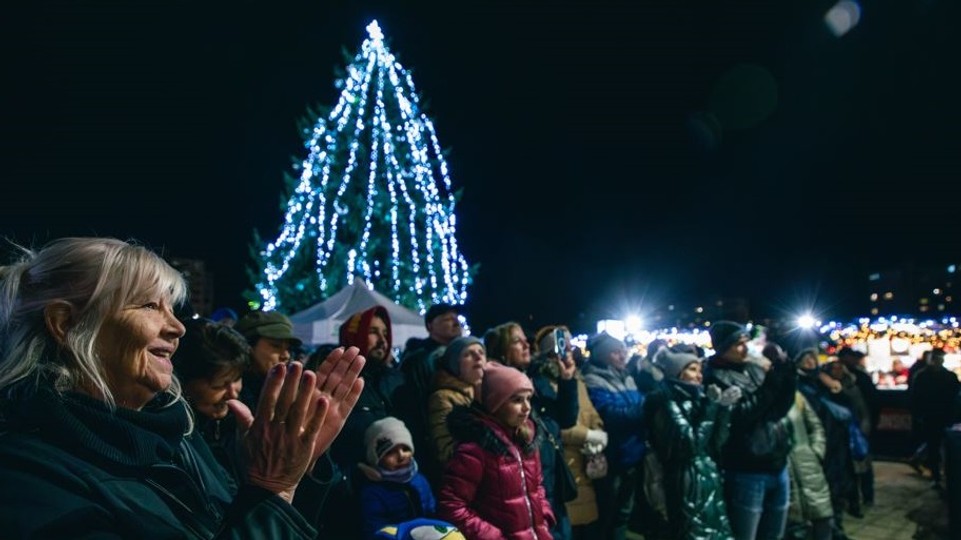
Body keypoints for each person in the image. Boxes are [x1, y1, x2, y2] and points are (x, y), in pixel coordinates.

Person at [0, 237, 365, 538]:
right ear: (65, 323)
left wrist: (286, 477)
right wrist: (272, 487)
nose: (177, 327)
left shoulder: (178, 434)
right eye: (148, 305)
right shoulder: (26, 479)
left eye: (172, 308)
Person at [702, 321, 797, 540]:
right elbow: (742, 416)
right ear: (722, 348)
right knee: (747, 533)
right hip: (747, 467)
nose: (745, 349)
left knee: (775, 532)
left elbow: (779, 409)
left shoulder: (753, 368)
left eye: (746, 342)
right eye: (737, 344)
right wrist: (772, 381)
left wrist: (786, 372)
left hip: (777, 460)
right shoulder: (713, 377)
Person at [438, 362, 555, 538]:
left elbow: (537, 488)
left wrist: (543, 520)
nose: (527, 408)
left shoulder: (526, 440)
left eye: (528, 399)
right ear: (495, 403)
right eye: (517, 400)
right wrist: (493, 536)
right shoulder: (475, 449)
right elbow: (452, 505)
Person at [487, 321, 579, 540]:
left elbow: (565, 420)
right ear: (501, 349)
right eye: (517, 341)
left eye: (526, 340)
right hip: (527, 486)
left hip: (551, 479)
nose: (527, 345)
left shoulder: (536, 379)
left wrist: (567, 379)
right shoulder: (495, 390)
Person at [643, 347, 738, 539]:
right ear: (678, 373)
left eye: (700, 370)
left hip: (707, 477)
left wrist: (723, 410)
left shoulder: (697, 398)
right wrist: (711, 407)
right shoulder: (666, 401)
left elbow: (716, 443)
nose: (699, 376)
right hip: (687, 483)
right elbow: (689, 445)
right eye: (693, 369)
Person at [534, 325, 608, 540]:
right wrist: (587, 436)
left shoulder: (576, 380)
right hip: (565, 465)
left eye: (569, 345)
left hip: (586, 465)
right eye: (561, 346)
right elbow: (554, 426)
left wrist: (598, 431)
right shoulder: (540, 383)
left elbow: (591, 412)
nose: (568, 351)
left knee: (589, 526)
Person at [581, 331, 646, 540]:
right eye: (616, 352)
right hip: (613, 457)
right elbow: (610, 416)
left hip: (632, 454)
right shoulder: (592, 380)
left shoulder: (626, 375)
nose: (623, 356)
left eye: (623, 351)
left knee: (623, 512)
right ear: (602, 355)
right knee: (608, 513)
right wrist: (647, 408)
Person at [172, 317, 250, 483]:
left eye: (236, 379)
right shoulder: (174, 443)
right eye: (218, 385)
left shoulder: (242, 424)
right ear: (184, 382)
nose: (232, 394)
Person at [357, 417, 437, 540]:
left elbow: (433, 514)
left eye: (405, 449)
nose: (401, 456)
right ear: (376, 458)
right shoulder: (373, 493)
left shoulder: (420, 479)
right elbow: (375, 530)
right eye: (390, 452)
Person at [428, 336, 487, 468]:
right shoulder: (442, 398)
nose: (478, 357)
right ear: (454, 364)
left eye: (481, 352)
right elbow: (445, 450)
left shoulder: (491, 392)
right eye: (468, 354)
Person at [785, 391, 835, 540]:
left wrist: (815, 452)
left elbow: (815, 427)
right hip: (784, 473)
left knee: (823, 519)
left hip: (808, 467)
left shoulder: (795, 396)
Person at [910, 347, 961, 490]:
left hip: (935, 416)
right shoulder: (946, 376)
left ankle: (938, 476)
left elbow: (915, 397)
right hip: (938, 416)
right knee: (936, 447)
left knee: (935, 446)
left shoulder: (923, 376)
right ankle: (938, 476)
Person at [234, 309, 304, 408]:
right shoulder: (229, 393)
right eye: (276, 346)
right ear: (247, 346)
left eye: (288, 349)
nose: (286, 355)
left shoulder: (288, 391)